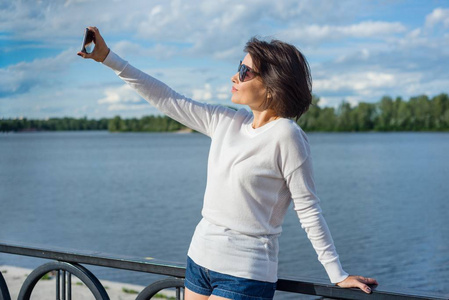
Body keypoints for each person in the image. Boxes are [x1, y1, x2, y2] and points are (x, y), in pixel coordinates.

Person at [78, 27, 378, 300]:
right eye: (238, 68)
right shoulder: (226, 120)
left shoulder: (286, 135)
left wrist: (336, 274)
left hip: (244, 272)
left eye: (245, 72)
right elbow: (166, 99)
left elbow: (308, 208)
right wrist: (108, 58)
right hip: (199, 260)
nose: (235, 77)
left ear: (272, 85)